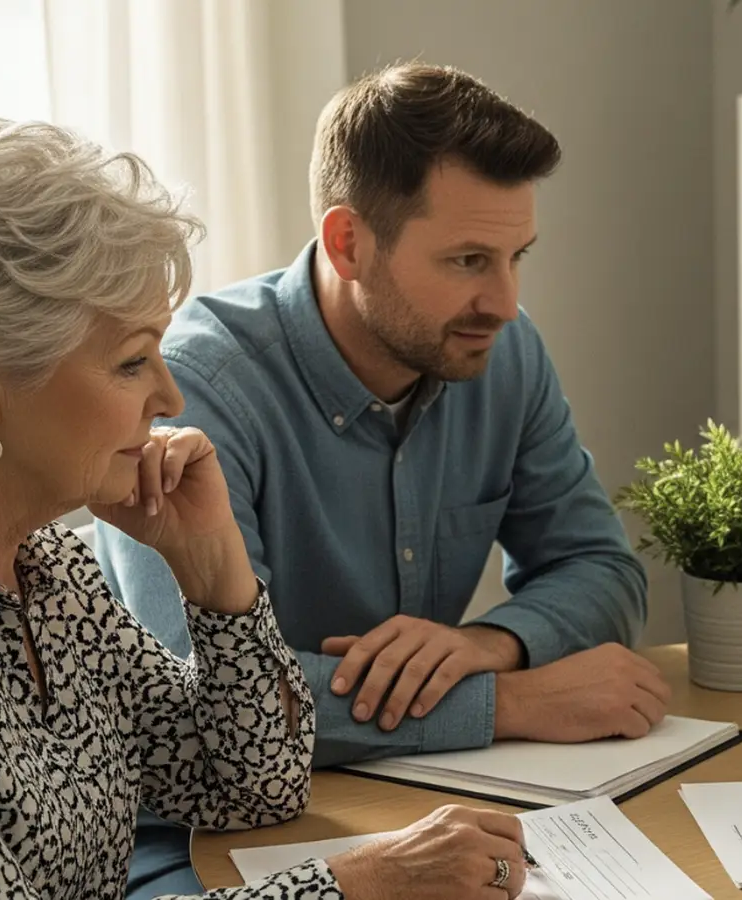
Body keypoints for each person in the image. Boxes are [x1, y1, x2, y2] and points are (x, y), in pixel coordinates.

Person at [0, 117, 537, 900]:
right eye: (132, 362)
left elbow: (250, 787)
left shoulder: (46, 570)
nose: (168, 397)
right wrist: (357, 885)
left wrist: (212, 569)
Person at [94, 63, 669, 895]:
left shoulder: (503, 354)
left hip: (420, 796)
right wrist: (513, 700)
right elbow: (203, 708)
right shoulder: (195, 393)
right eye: (469, 260)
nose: (504, 302)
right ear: (347, 242)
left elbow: (604, 571)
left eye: (517, 257)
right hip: (194, 842)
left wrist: (483, 645)